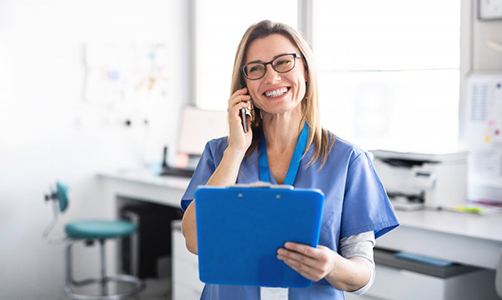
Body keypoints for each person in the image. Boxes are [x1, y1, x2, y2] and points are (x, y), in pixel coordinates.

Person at [180, 20, 399, 300]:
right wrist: (236, 150)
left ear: (305, 70)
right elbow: (195, 240)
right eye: (256, 68)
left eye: (283, 62)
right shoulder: (220, 153)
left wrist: (331, 265)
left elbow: (362, 274)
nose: (271, 78)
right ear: (244, 85)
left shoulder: (348, 160)